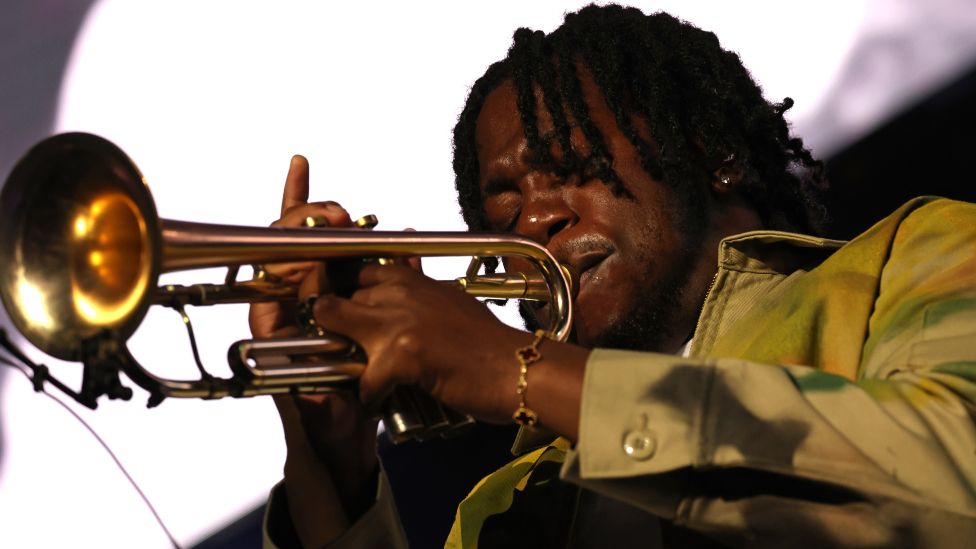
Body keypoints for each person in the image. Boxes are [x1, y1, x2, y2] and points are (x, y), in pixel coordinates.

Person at [252, 5, 976, 548]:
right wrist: (330, 462)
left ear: (717, 155)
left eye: (569, 165)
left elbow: (953, 481)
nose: (534, 220)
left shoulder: (905, 258)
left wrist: (521, 369)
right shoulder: (505, 507)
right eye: (502, 204)